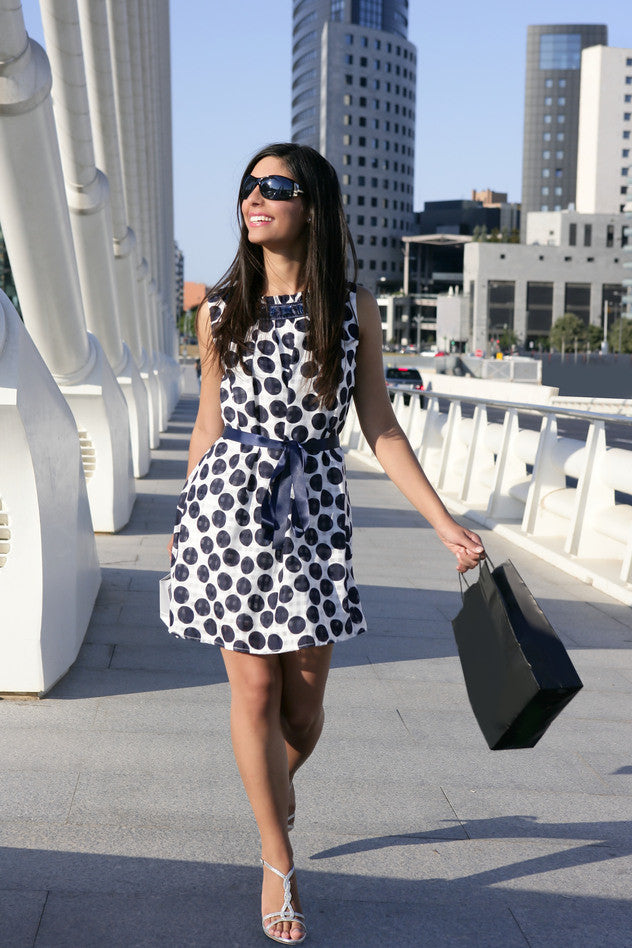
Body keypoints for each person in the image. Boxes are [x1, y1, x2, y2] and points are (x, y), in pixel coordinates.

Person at [168, 143, 485, 944]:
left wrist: (444, 523)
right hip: (229, 514)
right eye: (250, 185)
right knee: (255, 696)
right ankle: (279, 859)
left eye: (277, 186)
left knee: (304, 708)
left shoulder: (351, 308)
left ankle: (274, 788)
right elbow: (208, 423)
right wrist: (183, 524)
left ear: (314, 206)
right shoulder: (218, 308)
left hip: (312, 515)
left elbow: (377, 423)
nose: (256, 196)